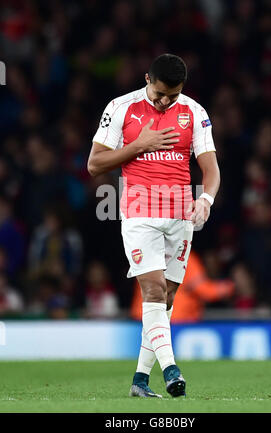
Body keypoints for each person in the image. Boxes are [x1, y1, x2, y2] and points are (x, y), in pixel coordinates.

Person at [88, 54, 220, 398]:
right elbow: (94, 164)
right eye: (159, 93)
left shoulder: (193, 112)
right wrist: (138, 145)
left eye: (172, 96)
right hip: (138, 212)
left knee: (168, 297)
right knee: (153, 291)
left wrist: (205, 200)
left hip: (180, 216)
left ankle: (140, 381)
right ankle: (172, 370)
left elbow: (211, 170)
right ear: (147, 78)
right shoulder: (120, 107)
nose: (164, 102)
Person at [130, 249, 234, 322]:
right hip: (175, 320)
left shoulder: (147, 254)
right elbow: (204, 290)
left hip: (143, 316)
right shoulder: (182, 256)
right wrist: (228, 287)